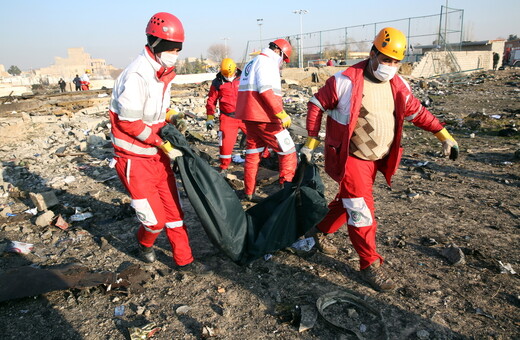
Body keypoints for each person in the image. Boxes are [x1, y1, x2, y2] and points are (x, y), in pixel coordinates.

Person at [301, 27, 459, 292]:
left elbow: (418, 112)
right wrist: (311, 141)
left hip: (376, 159)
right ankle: (369, 264)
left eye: (396, 62)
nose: (391, 66)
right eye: (386, 59)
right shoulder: (345, 81)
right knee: (362, 210)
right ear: (373, 54)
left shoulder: (398, 85)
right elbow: (316, 104)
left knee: (348, 202)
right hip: (351, 158)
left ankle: (318, 230)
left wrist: (444, 135)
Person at [109, 12, 208, 274]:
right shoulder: (137, 75)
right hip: (134, 160)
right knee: (155, 221)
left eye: (178, 48)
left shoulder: (163, 74)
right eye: (171, 48)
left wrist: (173, 116)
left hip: (156, 156)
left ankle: (184, 261)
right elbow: (128, 123)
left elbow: (158, 111)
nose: (175, 53)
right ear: (154, 44)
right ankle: (144, 243)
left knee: (175, 213)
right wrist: (159, 143)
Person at [235, 39, 297, 201]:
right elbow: (265, 89)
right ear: (278, 51)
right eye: (283, 58)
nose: (282, 62)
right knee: (288, 151)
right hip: (266, 118)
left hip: (249, 117)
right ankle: (287, 193)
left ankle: (249, 192)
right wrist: (280, 113)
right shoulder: (266, 62)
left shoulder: (252, 62)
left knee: (253, 154)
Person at [205, 58, 245, 175]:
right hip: (227, 118)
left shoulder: (244, 78)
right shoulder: (217, 82)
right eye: (226, 75)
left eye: (231, 74)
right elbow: (211, 101)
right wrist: (209, 118)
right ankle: (224, 166)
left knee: (258, 138)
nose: (229, 76)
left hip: (245, 116)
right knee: (225, 144)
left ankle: (265, 158)